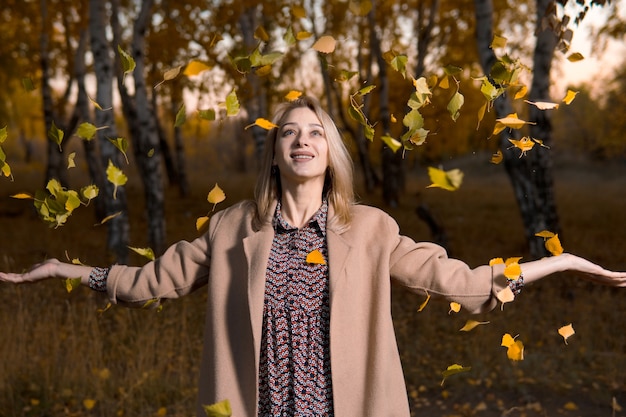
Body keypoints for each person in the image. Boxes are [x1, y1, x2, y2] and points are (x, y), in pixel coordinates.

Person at [1, 96, 624, 417]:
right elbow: (147, 283)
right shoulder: (230, 230)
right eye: (289, 134)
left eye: (315, 132)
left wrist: (564, 262)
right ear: (275, 154)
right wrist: (66, 269)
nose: (302, 141)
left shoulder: (373, 230)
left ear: (331, 154)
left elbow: (464, 283)